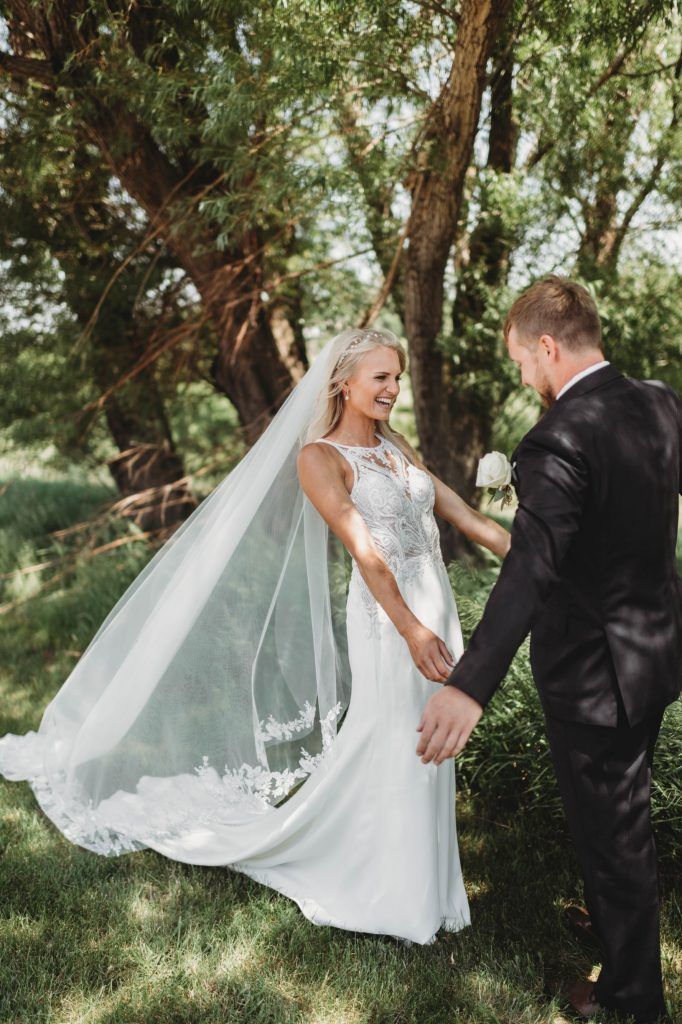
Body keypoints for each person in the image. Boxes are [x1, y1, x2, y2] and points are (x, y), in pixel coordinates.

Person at [0, 326, 509, 946]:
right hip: (390, 619)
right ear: (343, 383)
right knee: (395, 737)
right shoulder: (319, 459)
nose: (394, 389)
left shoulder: (394, 446)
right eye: (381, 377)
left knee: (430, 740)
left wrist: (537, 556)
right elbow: (366, 552)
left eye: (397, 377)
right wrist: (410, 629)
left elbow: (460, 513)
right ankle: (391, 894)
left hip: (435, 609)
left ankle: (428, 885)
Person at [417, 276, 681, 1021]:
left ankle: (633, 999)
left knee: (615, 836)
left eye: (522, 364)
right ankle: (615, 926)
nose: (525, 378)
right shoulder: (659, 401)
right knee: (616, 821)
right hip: (654, 651)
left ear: (546, 345)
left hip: (594, 674)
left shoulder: (560, 435)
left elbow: (532, 569)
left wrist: (468, 686)